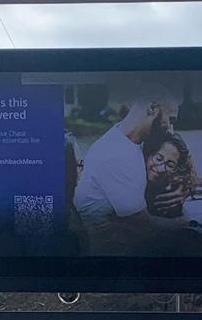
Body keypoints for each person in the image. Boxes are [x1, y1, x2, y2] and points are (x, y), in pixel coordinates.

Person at [72, 86, 184, 231]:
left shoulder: (126, 139)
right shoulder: (116, 155)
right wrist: (185, 221)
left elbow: (177, 154)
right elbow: (143, 225)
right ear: (152, 107)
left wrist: (181, 186)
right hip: (103, 241)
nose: (171, 129)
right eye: (171, 120)